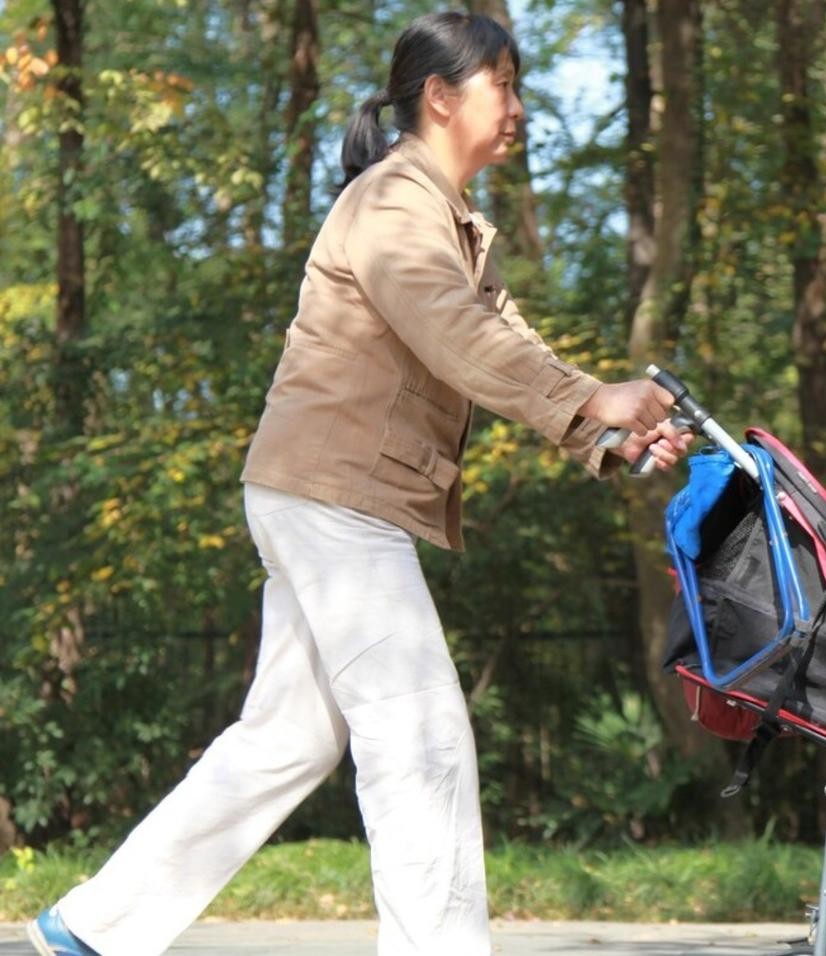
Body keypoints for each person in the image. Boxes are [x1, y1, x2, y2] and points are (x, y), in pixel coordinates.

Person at [28, 12, 689, 956]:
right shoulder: (391, 204)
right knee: (419, 736)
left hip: (320, 494)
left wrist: (604, 432)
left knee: (287, 740)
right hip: (335, 498)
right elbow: (457, 336)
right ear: (441, 96)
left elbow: (500, 334)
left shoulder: (449, 221)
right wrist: (592, 398)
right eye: (503, 82)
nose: (518, 106)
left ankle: (89, 928)